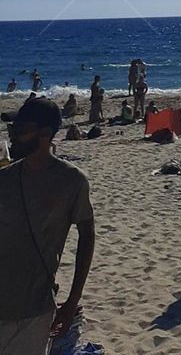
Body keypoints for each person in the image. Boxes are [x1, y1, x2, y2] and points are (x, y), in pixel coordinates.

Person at [0, 97, 95, 352]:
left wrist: (73, 301)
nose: (14, 136)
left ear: (45, 134)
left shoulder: (72, 181)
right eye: (13, 129)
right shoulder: (4, 179)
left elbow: (87, 237)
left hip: (35, 309)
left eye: (21, 129)